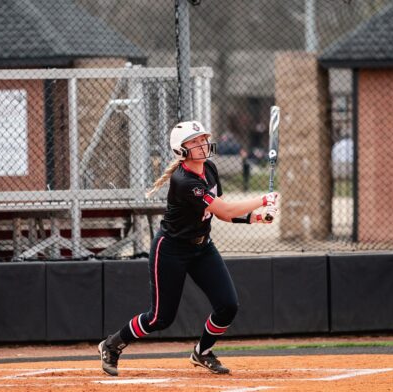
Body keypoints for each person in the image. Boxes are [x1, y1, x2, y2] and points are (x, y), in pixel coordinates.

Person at [98, 121, 279, 376]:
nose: (202, 144)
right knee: (160, 318)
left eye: (203, 139)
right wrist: (262, 200)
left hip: (202, 247)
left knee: (228, 305)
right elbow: (225, 209)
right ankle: (112, 344)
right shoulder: (184, 181)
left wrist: (256, 218)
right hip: (171, 249)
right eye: (194, 141)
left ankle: (202, 352)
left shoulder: (210, 169)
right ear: (181, 150)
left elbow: (221, 212)